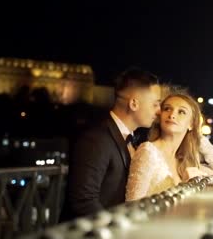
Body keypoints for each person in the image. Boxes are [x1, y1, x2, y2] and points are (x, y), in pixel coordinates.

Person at [64, 67, 161, 218]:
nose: (159, 111)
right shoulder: (96, 138)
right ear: (134, 104)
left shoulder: (130, 139)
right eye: (155, 104)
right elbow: (83, 201)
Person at [125, 90, 213, 201]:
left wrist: (198, 136)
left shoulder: (183, 160)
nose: (172, 115)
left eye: (181, 112)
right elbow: (132, 204)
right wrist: (184, 186)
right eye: (167, 109)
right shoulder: (148, 151)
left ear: (191, 124)